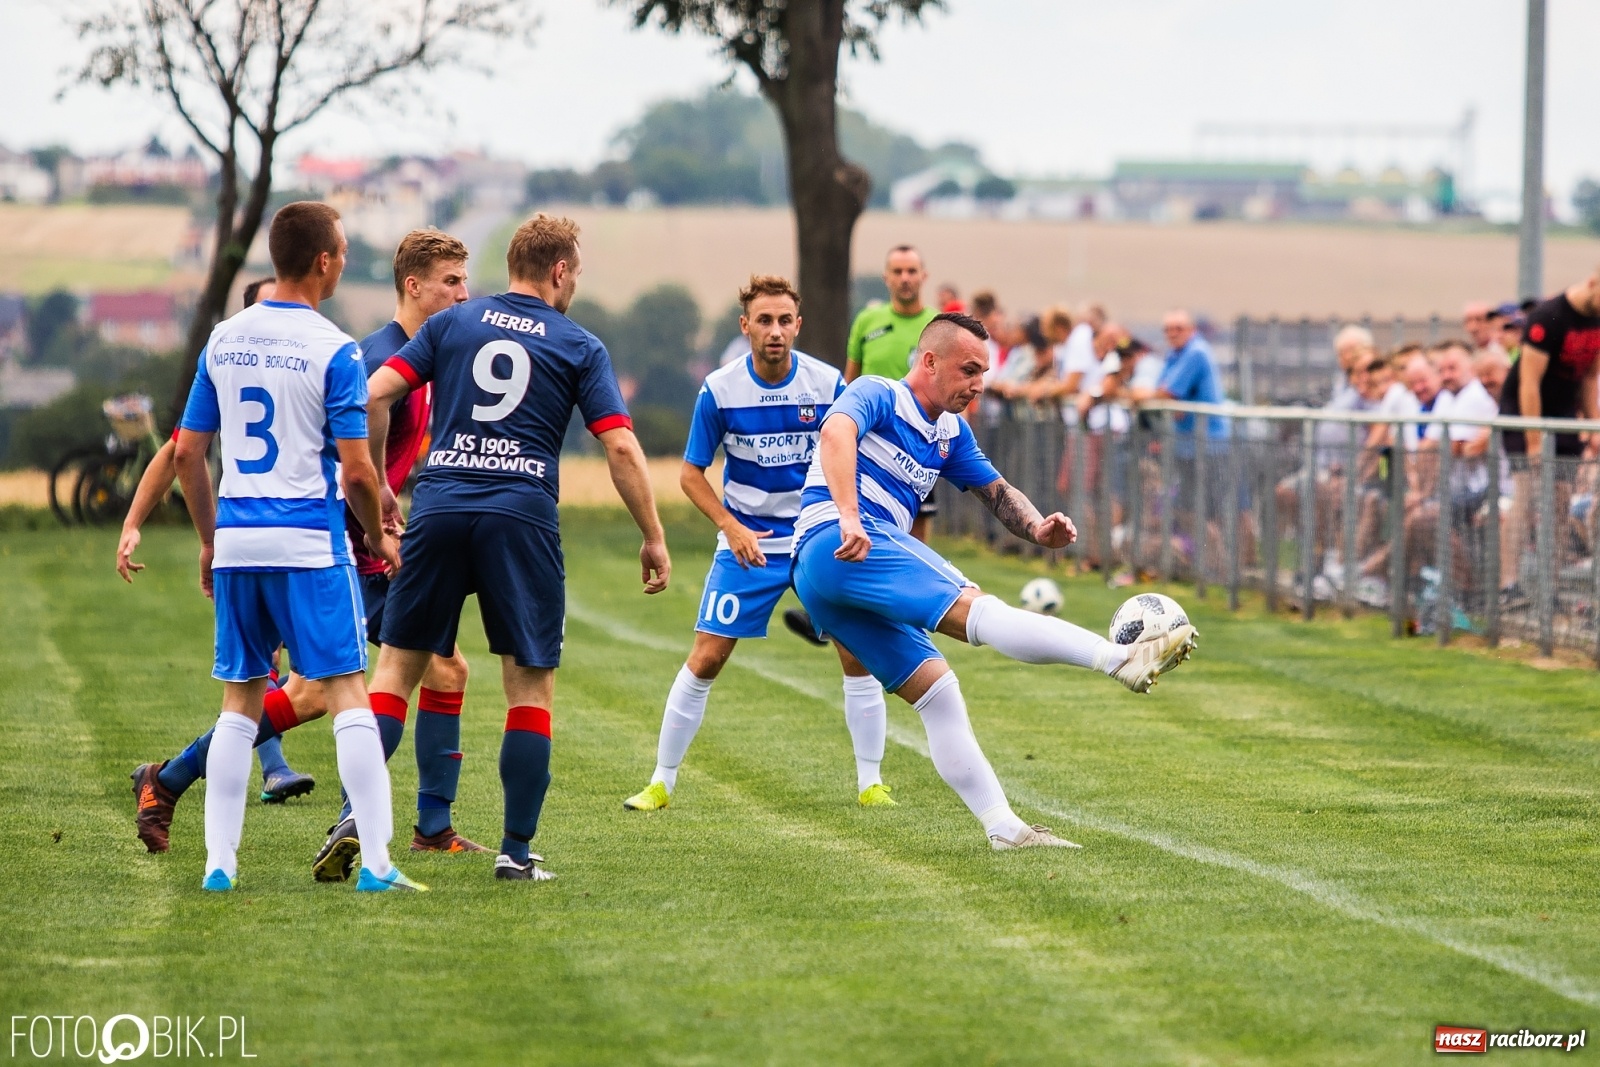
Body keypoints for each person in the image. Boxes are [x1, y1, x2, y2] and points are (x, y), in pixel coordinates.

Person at [791, 312, 1198, 851]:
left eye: (984, 372)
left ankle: (1004, 830)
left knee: (938, 695)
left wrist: (1037, 527)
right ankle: (1118, 659)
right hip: (839, 540)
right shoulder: (879, 393)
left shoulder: (950, 432)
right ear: (929, 361)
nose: (979, 384)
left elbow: (997, 491)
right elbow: (835, 431)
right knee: (980, 612)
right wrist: (848, 514)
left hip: (821, 574)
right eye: (968, 370)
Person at [362, 214, 670, 883]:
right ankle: (515, 853)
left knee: (394, 673)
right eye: (575, 273)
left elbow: (375, 393)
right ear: (559, 271)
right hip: (521, 517)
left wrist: (381, 483)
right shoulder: (578, 344)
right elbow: (620, 446)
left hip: (439, 507)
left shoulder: (452, 322)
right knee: (528, 688)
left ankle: (358, 820)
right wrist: (652, 534)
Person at [172, 200, 421, 893]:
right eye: (342, 251)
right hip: (309, 544)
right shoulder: (334, 349)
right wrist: (378, 534)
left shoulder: (223, 340)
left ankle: (219, 866)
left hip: (238, 542)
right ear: (323, 261)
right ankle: (377, 865)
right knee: (348, 693)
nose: (344, 262)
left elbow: (188, 454)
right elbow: (359, 472)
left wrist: (210, 541)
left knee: (239, 701)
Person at [621, 275, 894, 813]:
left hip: (817, 536)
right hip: (749, 542)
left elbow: (855, 454)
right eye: (764, 320)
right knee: (707, 657)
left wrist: (850, 517)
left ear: (798, 325)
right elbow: (691, 474)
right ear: (745, 326)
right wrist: (731, 526)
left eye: (784, 320)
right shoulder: (719, 389)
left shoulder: (827, 383)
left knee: (856, 652)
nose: (775, 331)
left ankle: (871, 784)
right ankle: (660, 782)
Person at [123, 275, 329, 856]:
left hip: (285, 541)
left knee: (297, 688)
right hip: (296, 543)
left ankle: (176, 786)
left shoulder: (304, 356)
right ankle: (384, 832)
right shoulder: (256, 356)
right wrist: (142, 523)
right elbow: (179, 450)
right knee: (309, 688)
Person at [311, 229, 485, 881]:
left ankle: (428, 828)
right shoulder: (383, 361)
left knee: (440, 671)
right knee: (325, 690)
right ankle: (363, 819)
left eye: (465, 281)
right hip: (352, 545)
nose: (464, 295)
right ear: (413, 286)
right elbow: (348, 462)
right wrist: (376, 528)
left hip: (370, 539)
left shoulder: (424, 356)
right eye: (451, 282)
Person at [1498, 266, 1600, 597]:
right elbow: (1529, 382)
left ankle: (1549, 587)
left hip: (1563, 412)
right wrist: (1533, 441)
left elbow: (1589, 377)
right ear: (1593, 283)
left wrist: (1593, 426)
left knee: (1560, 500)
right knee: (1527, 494)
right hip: (1524, 410)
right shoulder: (1549, 317)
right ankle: (1508, 584)